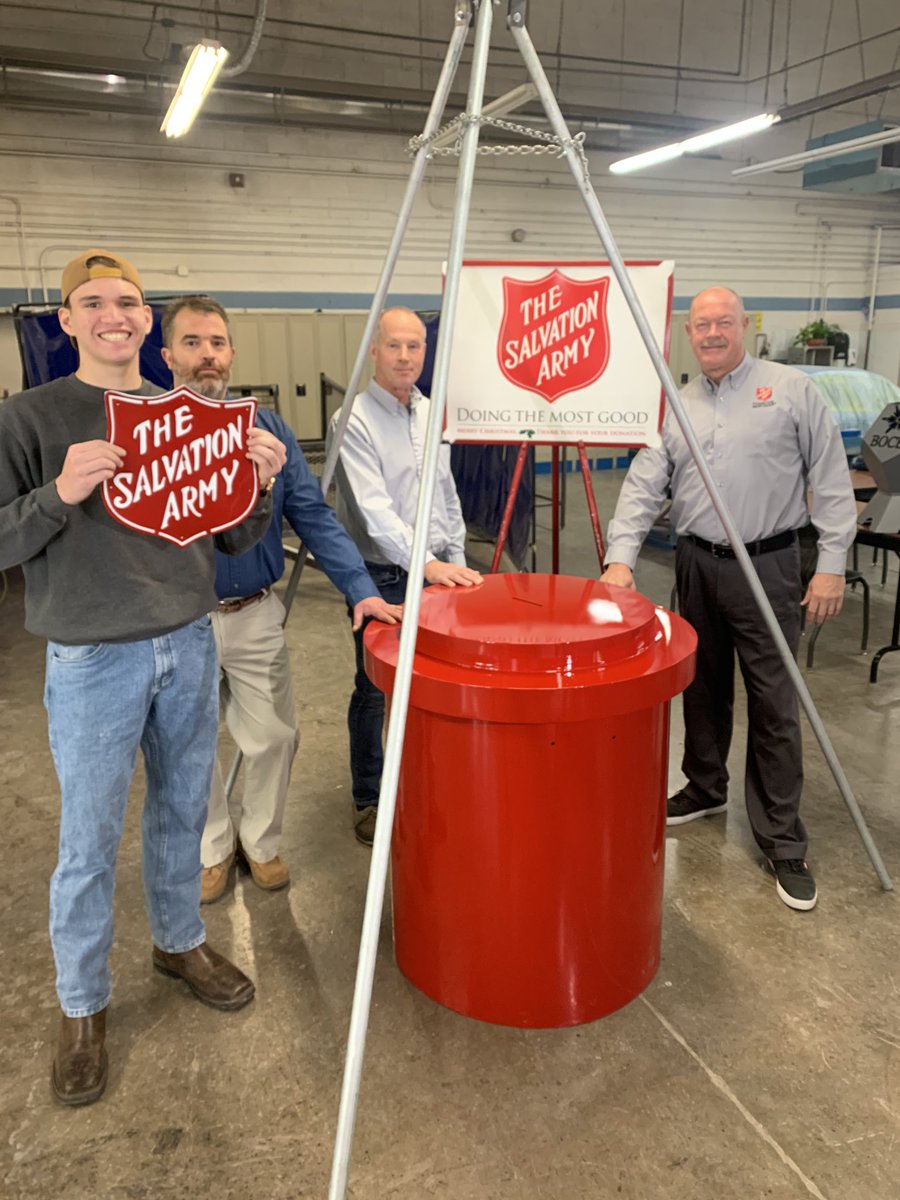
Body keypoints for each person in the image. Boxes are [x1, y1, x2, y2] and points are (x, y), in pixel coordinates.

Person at [0, 249, 288, 1108]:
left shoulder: (188, 413)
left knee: (176, 812)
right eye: (93, 302)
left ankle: (178, 942)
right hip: (93, 657)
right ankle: (81, 1005)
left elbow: (233, 541)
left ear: (143, 321)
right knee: (87, 842)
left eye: (127, 300)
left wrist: (259, 484)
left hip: (186, 642)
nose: (114, 314)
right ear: (67, 321)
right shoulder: (31, 417)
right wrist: (58, 492)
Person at [601, 286, 857, 912]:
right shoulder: (679, 403)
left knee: (774, 702)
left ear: (745, 326)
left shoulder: (790, 390)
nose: (712, 333)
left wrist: (830, 564)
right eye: (701, 325)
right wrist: (620, 558)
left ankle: (781, 837)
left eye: (724, 322)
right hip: (697, 564)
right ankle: (705, 786)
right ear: (689, 333)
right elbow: (644, 483)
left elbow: (829, 478)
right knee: (702, 684)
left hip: (768, 564)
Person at [160, 296, 403, 902]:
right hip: (175, 620)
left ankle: (260, 842)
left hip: (253, 612)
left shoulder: (267, 430)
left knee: (275, 736)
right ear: (167, 356)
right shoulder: (150, 431)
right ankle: (213, 847)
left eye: (216, 343)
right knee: (187, 744)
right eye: (192, 343)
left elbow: (313, 516)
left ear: (233, 354)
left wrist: (360, 589)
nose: (207, 355)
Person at [330, 307, 482, 845]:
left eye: (414, 347)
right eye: (393, 346)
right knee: (374, 692)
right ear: (373, 351)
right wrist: (429, 565)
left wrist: (454, 557)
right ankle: (369, 797)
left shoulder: (428, 411)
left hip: (437, 571)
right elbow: (374, 511)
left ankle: (427, 781)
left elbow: (444, 491)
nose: (404, 357)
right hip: (381, 576)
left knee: (435, 685)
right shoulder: (353, 417)